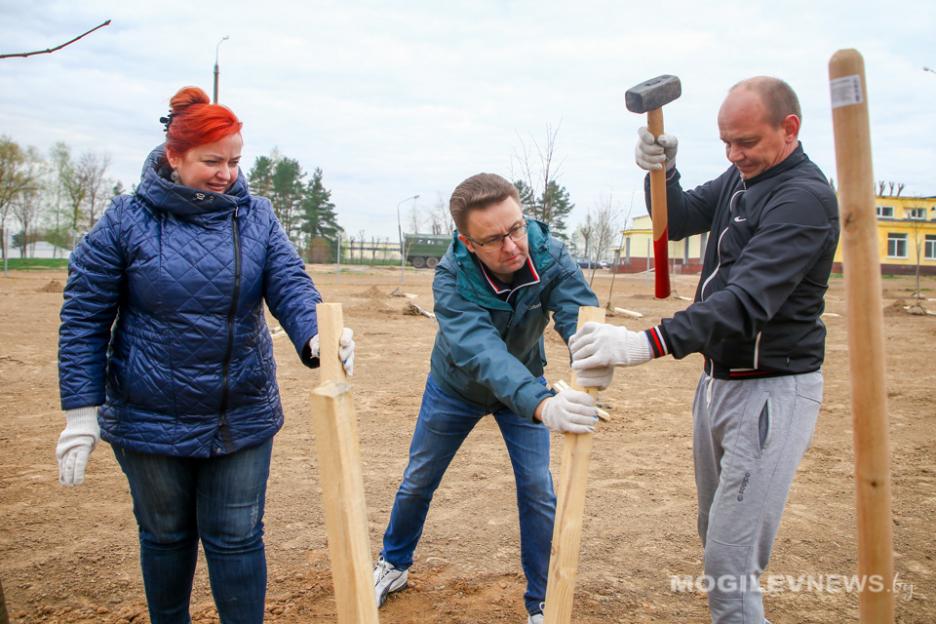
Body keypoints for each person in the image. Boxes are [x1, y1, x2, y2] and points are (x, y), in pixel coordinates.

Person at [55, 86, 354, 624]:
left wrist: (318, 337)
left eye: (235, 161)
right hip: (149, 416)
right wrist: (81, 412)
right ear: (174, 157)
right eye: (211, 161)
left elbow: (290, 284)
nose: (226, 174)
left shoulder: (256, 217)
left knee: (237, 538)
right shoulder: (125, 221)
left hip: (238, 412)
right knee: (166, 536)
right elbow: (84, 318)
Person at [570, 76, 839, 623]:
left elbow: (745, 301)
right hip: (719, 383)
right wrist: (660, 172)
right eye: (725, 143)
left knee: (730, 558)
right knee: (714, 530)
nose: (734, 155)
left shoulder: (803, 199)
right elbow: (680, 219)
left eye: (746, 142)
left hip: (771, 389)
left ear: (790, 129)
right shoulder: (742, 180)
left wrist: (647, 342)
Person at [373, 173, 600, 623]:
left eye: (516, 228)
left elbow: (577, 311)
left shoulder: (549, 253)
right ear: (468, 242)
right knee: (419, 477)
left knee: (537, 488)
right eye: (494, 239)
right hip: (457, 387)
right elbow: (482, 352)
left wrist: (592, 349)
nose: (513, 246)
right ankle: (394, 564)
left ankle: (541, 603)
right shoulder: (451, 278)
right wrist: (542, 404)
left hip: (528, 384)